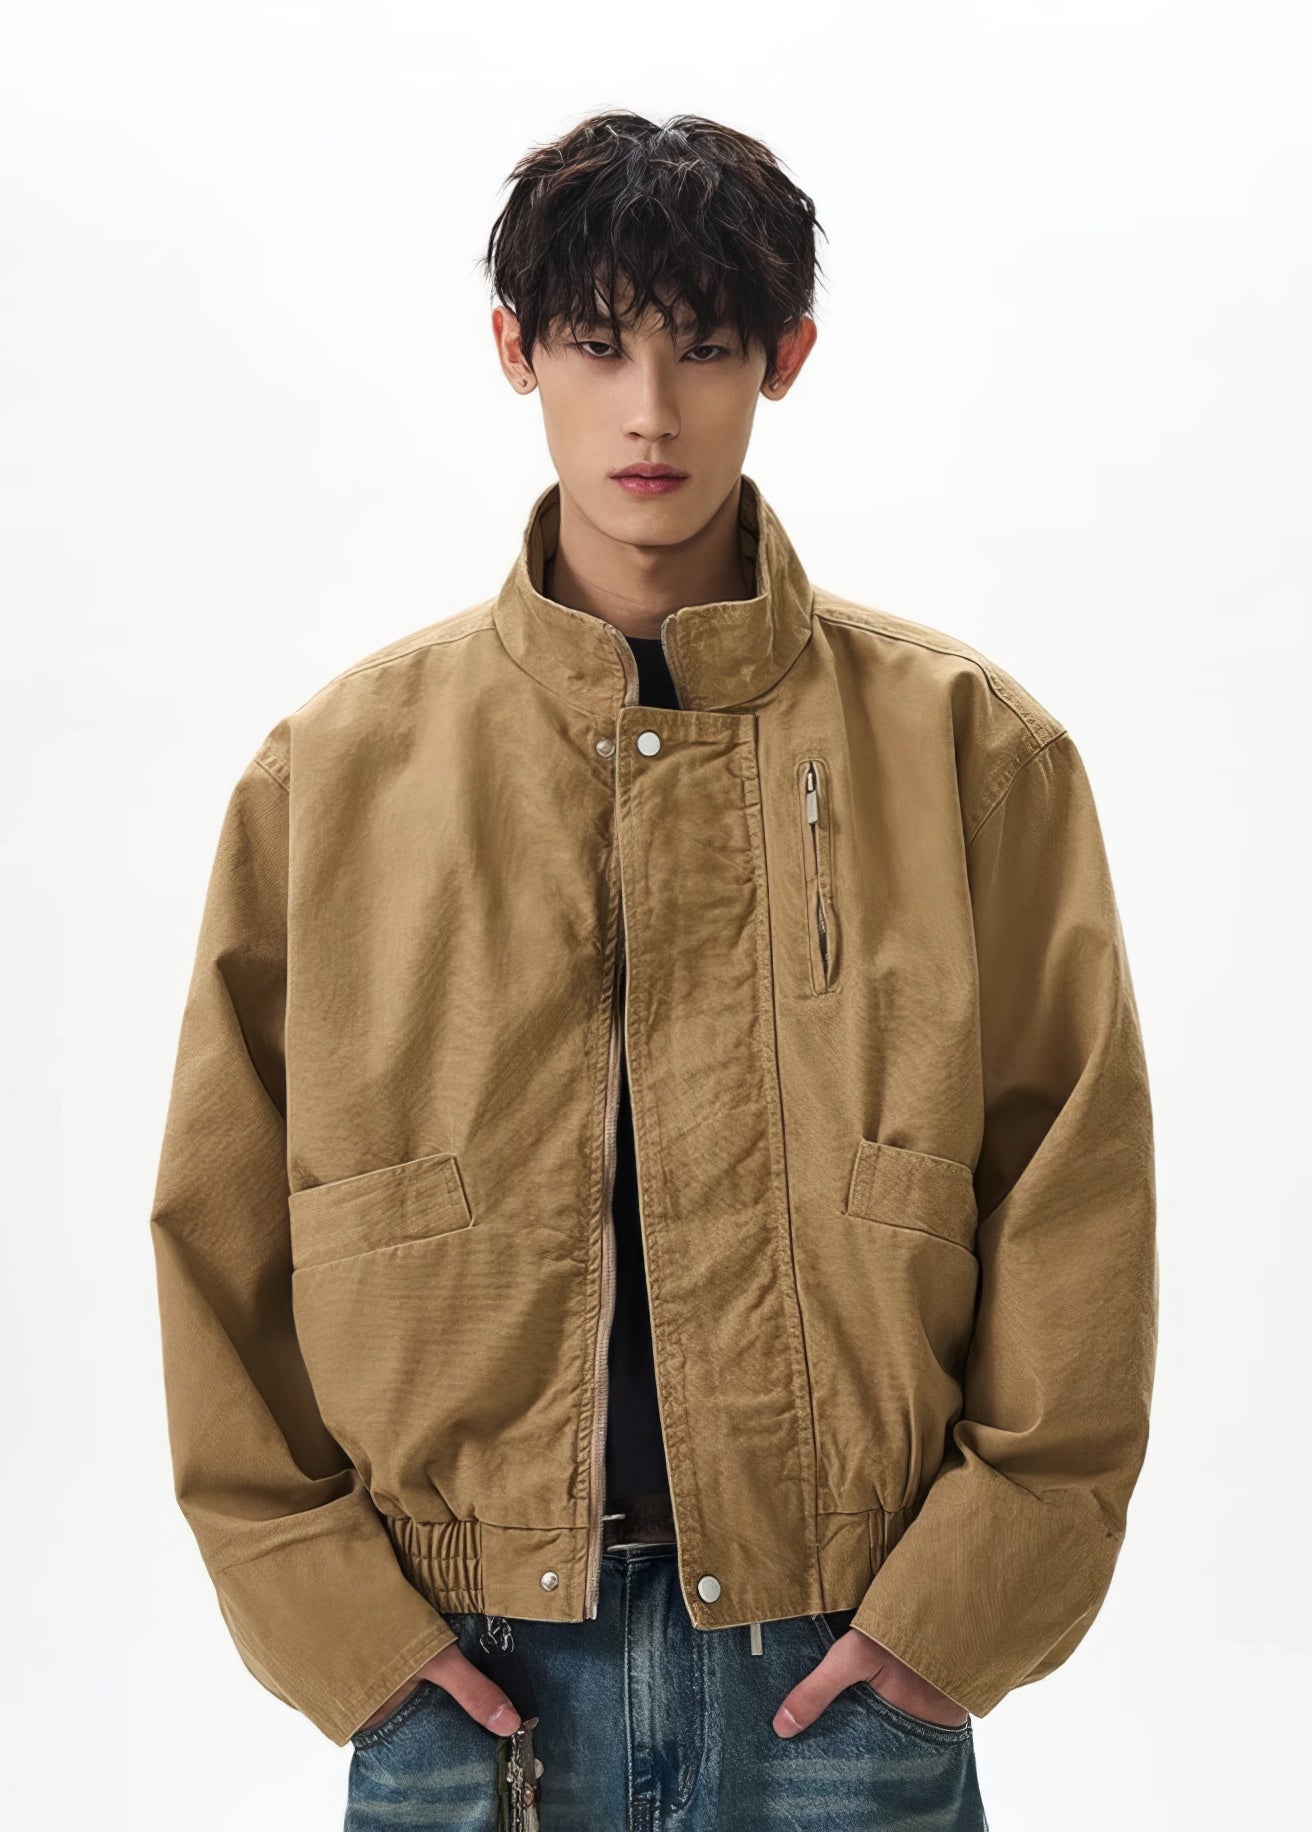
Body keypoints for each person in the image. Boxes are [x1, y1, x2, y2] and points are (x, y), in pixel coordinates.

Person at [149, 110, 1158, 1831]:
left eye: (702, 348)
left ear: (786, 358)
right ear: (514, 350)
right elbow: (218, 1236)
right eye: (597, 345)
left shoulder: (969, 751)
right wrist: (348, 1637)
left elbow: (1078, 1195)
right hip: (463, 1684)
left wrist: (959, 1611)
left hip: (840, 1673)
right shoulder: (337, 774)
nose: (649, 411)